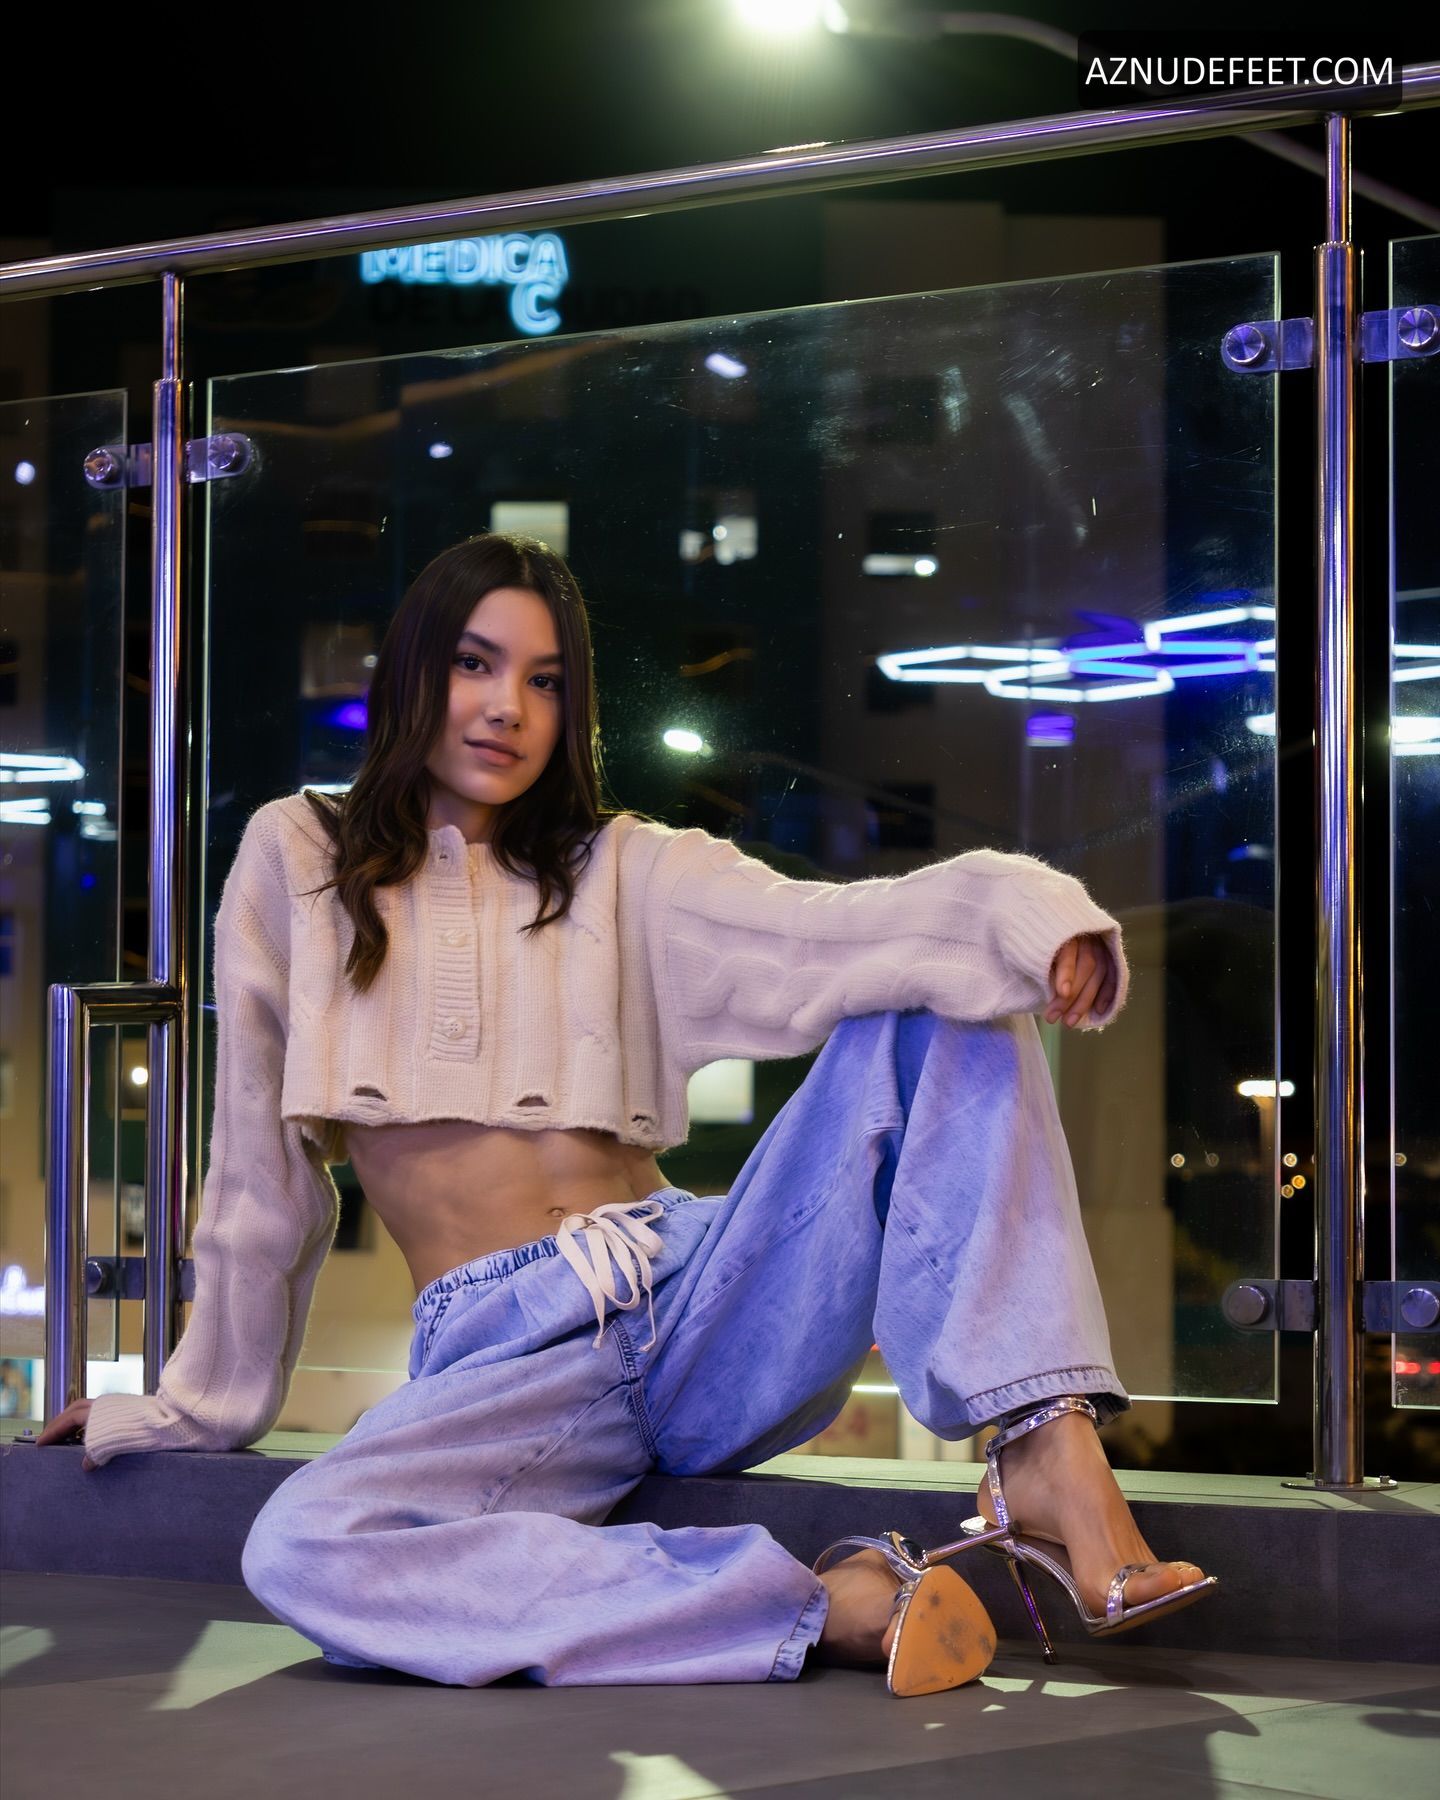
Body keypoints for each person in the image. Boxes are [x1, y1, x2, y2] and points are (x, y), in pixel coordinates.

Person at [37, 531, 1214, 1693]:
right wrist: (196, 1404)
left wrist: (1027, 920)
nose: (507, 707)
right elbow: (261, 1170)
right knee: (306, 1550)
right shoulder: (301, 857)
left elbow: (840, 932)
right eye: (474, 663)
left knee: (953, 999)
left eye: (545, 681)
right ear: (413, 673)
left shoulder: (625, 867)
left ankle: (1046, 1444)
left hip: (706, 1298)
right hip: (503, 1358)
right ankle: (823, 1601)